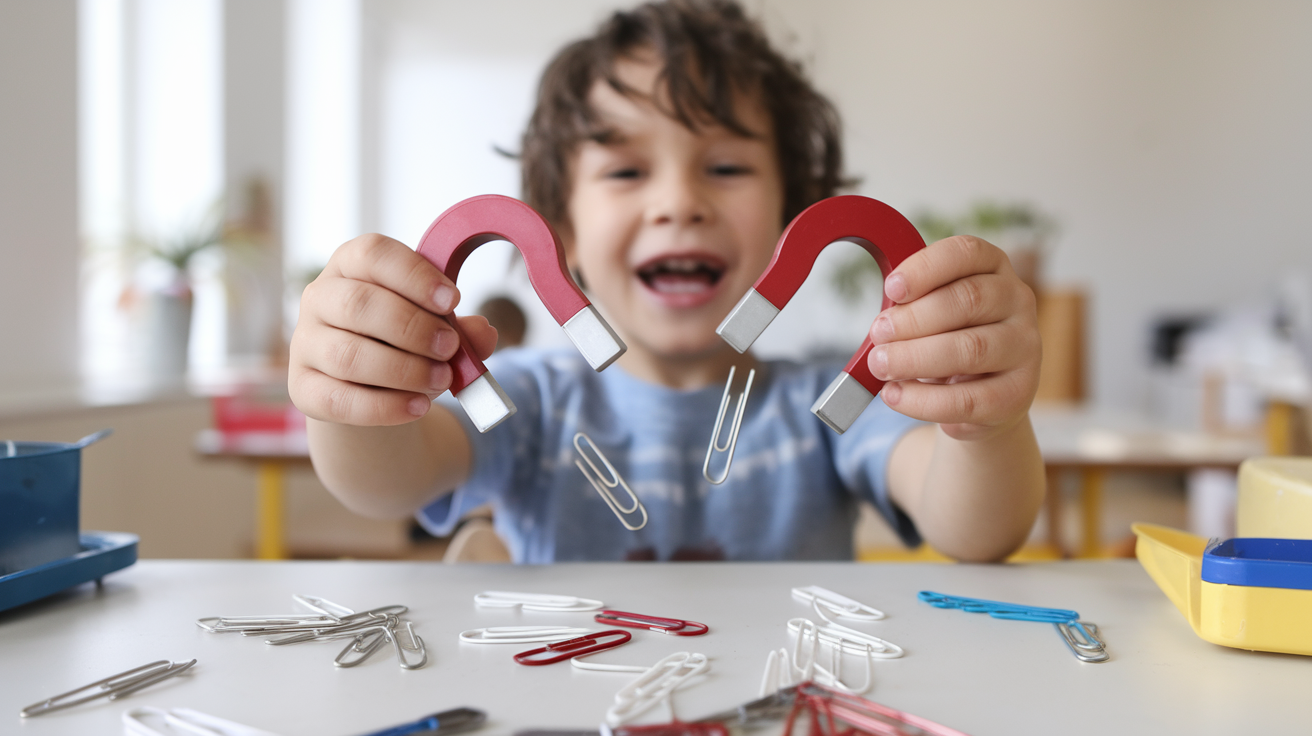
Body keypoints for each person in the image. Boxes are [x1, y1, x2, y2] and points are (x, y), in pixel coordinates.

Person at [288, 0, 1045, 563]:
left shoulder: (832, 406)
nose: (680, 202)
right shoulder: (527, 400)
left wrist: (986, 425)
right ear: (562, 230)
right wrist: (357, 394)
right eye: (625, 170)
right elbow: (384, 485)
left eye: (726, 167)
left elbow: (977, 531)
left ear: (793, 219)